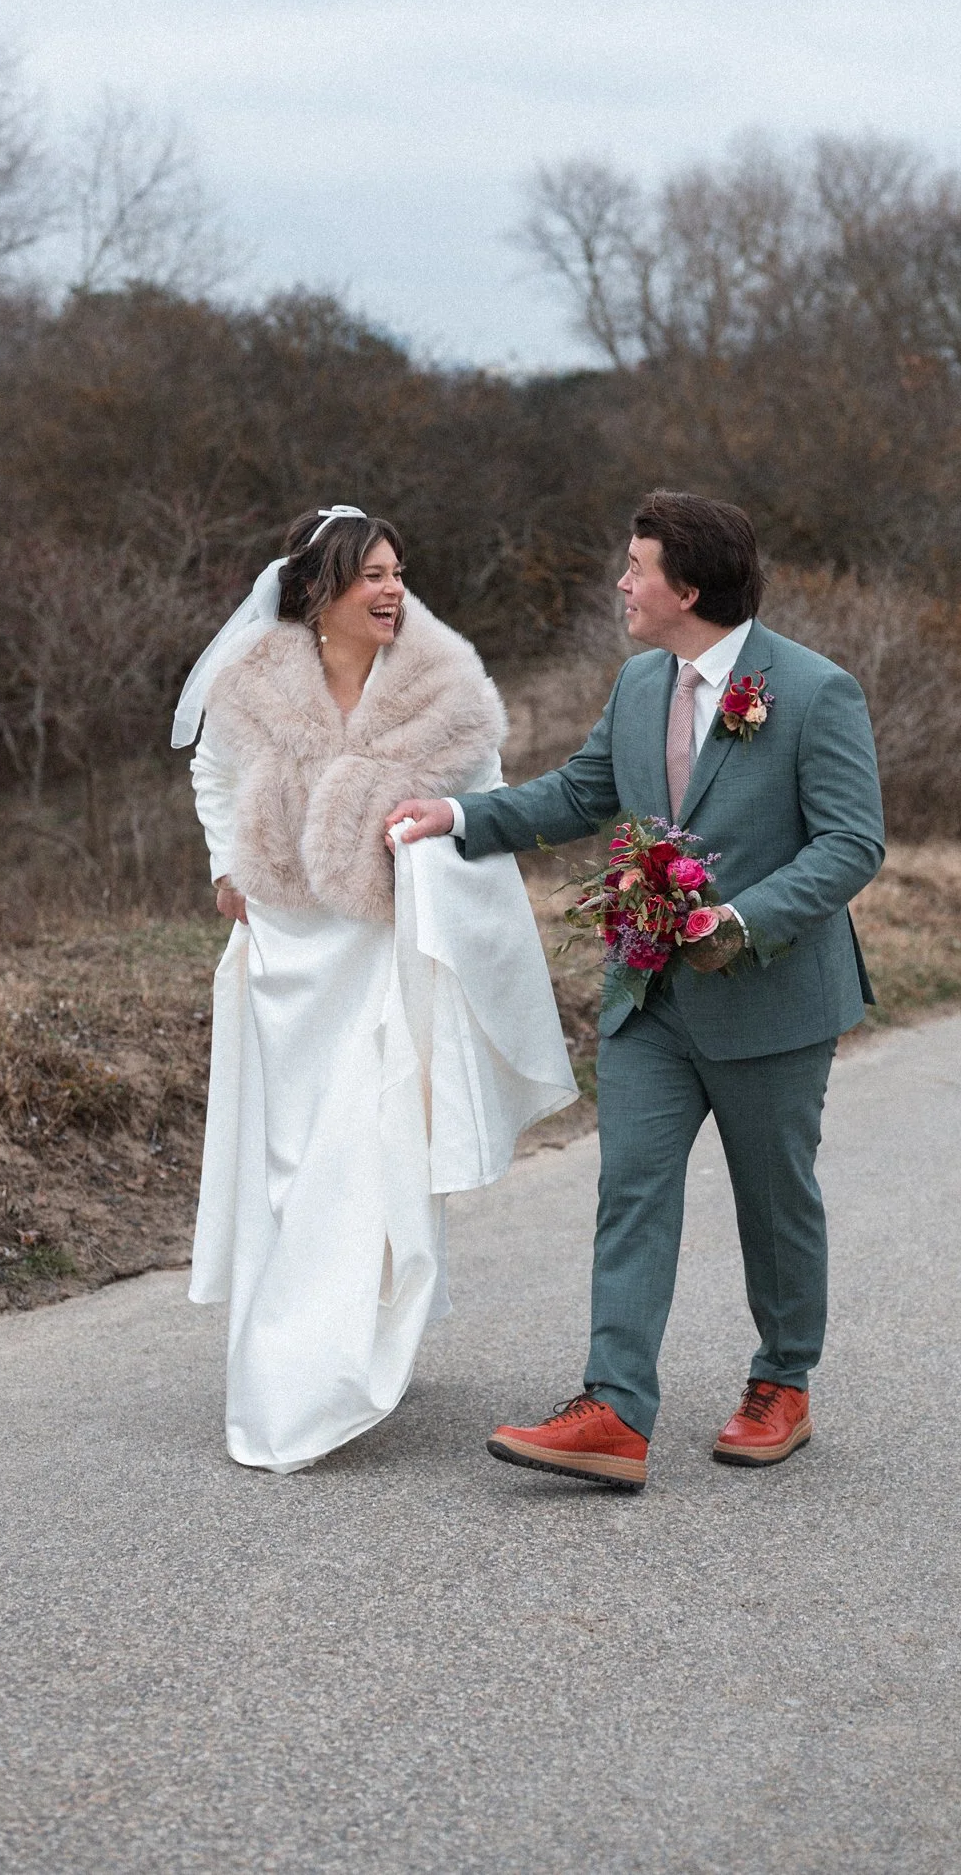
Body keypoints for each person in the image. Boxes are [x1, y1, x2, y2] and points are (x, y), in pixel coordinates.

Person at [387, 489, 884, 1493]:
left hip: (770, 999)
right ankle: (612, 1409)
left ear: (686, 587)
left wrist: (740, 922)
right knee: (630, 1191)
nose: (621, 582)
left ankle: (780, 1382)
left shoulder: (814, 690)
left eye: (637, 566)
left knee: (772, 1196)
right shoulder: (637, 682)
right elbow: (579, 791)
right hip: (648, 998)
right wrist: (455, 814)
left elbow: (849, 842)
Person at [173, 505, 576, 1474]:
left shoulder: (447, 690)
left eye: (398, 572)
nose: (392, 590)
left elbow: (479, 795)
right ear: (315, 590)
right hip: (283, 945)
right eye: (370, 577)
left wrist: (433, 840)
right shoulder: (249, 685)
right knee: (287, 1153)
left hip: (389, 944)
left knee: (366, 1143)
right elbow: (214, 780)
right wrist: (226, 867)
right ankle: (303, 1334)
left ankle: (314, 1371)